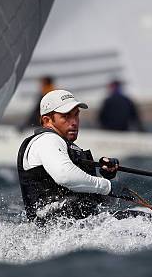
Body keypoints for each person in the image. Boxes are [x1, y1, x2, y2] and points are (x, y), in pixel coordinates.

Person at [17, 89, 125, 224]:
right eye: (66, 116)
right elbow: (65, 176)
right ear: (47, 120)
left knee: (148, 218)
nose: (74, 122)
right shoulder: (46, 140)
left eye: (76, 115)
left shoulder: (64, 147)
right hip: (58, 231)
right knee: (151, 220)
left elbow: (104, 203)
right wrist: (107, 185)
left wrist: (108, 176)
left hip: (79, 227)